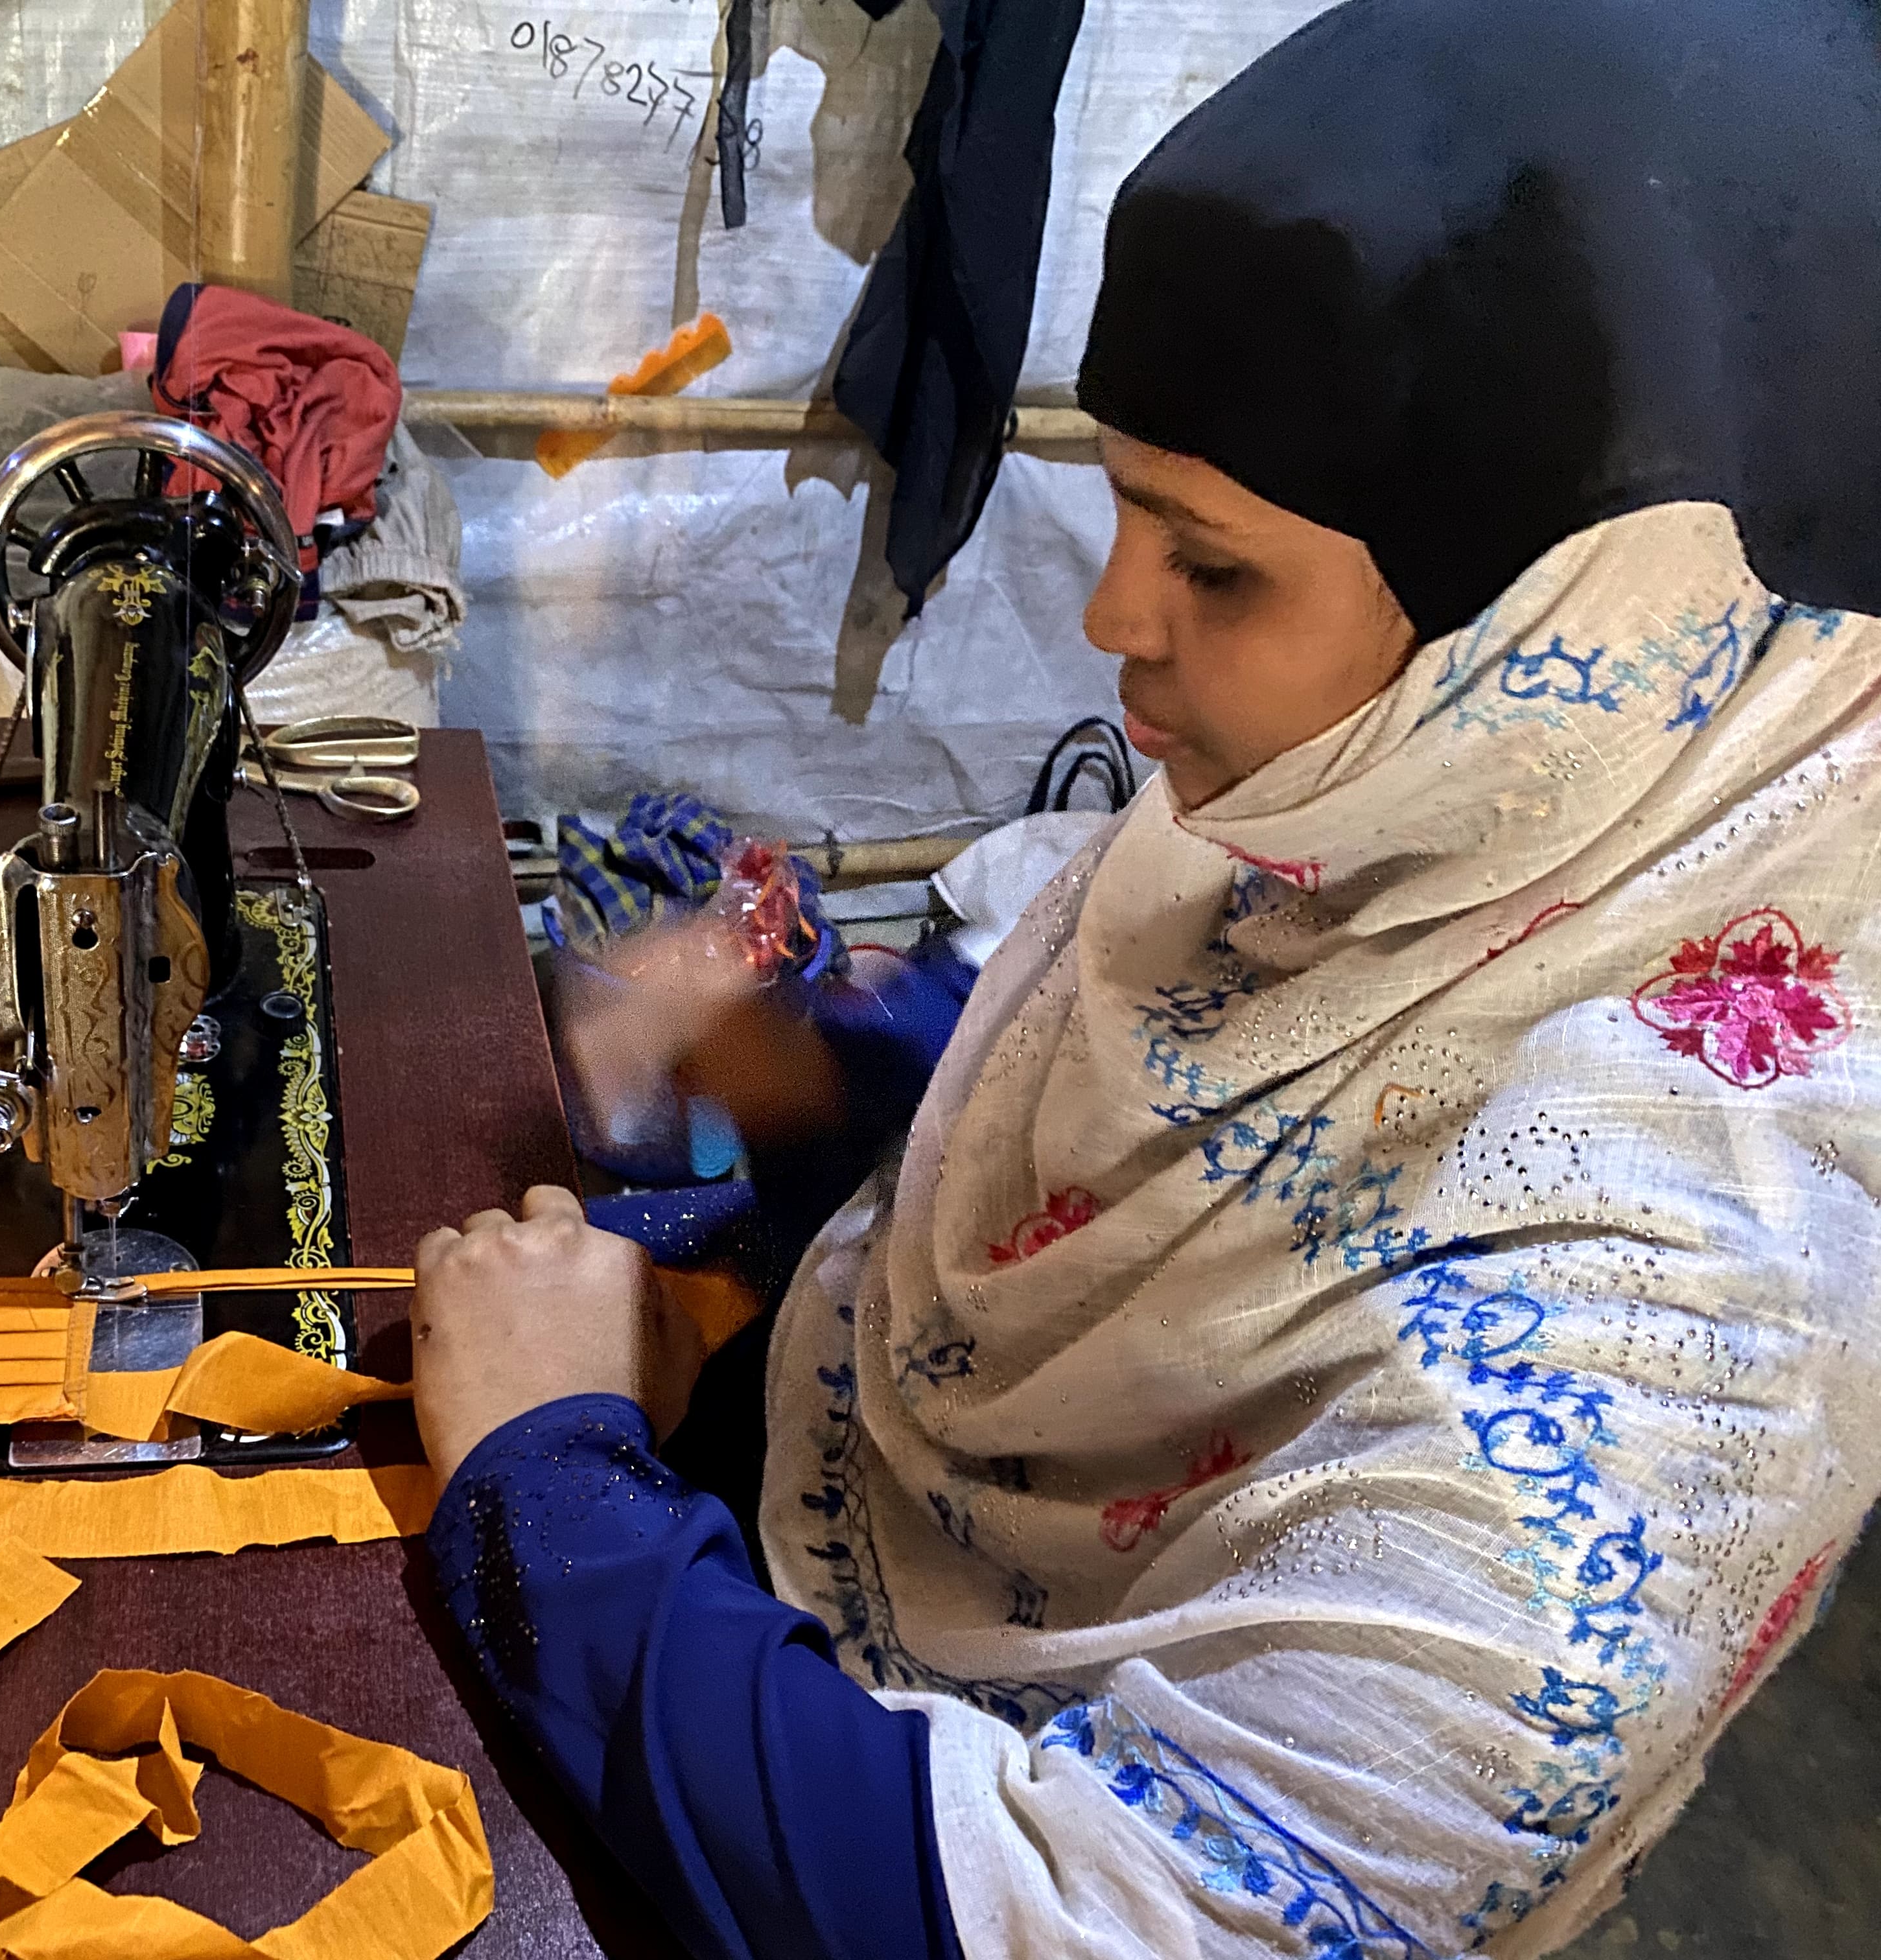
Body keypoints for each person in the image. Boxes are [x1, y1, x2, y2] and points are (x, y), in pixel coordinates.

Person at [406, 2, 1881, 1956]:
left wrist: (552, 1492)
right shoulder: (1416, 804)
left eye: (1214, 562)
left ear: (1574, 633)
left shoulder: (1680, 1312)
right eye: (1120, 511)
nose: (1111, 619)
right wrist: (817, 1075)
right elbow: (1176, 1070)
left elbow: (1113, 1925)